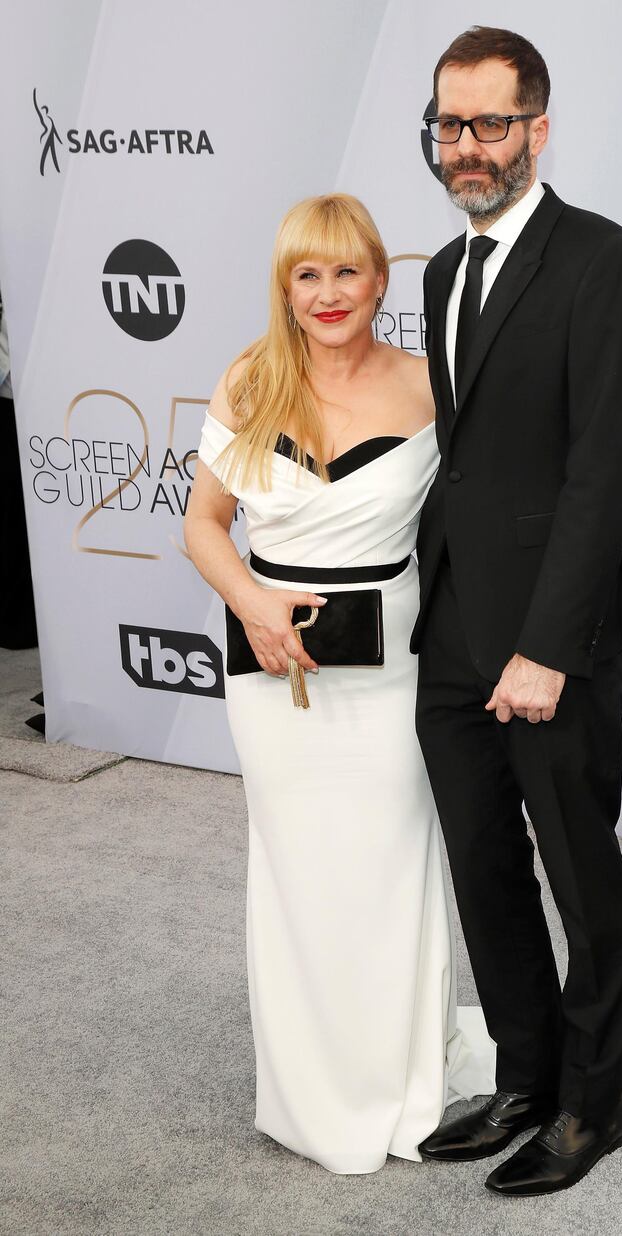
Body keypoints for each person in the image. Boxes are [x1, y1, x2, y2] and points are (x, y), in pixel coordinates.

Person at [184, 193, 495, 1175]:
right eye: (305, 275)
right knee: (296, 869)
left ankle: (402, 1079)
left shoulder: (424, 386)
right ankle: (311, 1087)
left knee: (391, 866)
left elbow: (482, 515)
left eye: (345, 272)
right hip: (270, 668)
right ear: (285, 285)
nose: (326, 294)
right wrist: (252, 604)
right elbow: (203, 523)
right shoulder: (249, 378)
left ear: (379, 278)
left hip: (393, 664)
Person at [413, 27, 622, 1196]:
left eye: (489, 125)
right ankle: (524, 1075)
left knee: (576, 870)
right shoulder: (438, 270)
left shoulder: (599, 259)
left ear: (537, 129)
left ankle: (592, 1101)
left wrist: (544, 649)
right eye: (448, 125)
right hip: (454, 634)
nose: (467, 148)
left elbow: (600, 470)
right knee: (482, 868)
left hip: (548, 642)